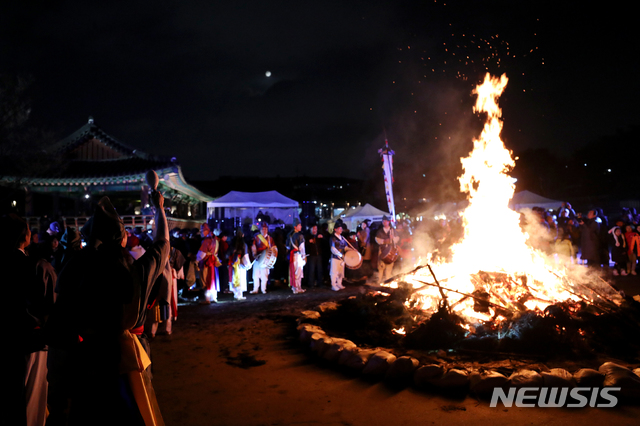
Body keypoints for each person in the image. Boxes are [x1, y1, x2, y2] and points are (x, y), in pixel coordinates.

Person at [46, 190, 169, 426]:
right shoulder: (135, 269)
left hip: (86, 360)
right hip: (127, 358)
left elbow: (59, 325)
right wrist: (159, 208)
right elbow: (162, 243)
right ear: (121, 237)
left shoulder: (77, 267)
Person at [196, 223, 221, 304]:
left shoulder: (206, 241)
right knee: (213, 279)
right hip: (213, 261)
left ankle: (207, 299)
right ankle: (214, 297)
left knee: (205, 279)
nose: (201, 232)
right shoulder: (215, 239)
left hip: (206, 262)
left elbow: (201, 254)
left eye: (202, 230)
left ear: (206, 230)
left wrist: (196, 260)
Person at [251, 222, 276, 294]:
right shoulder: (256, 237)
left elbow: (273, 248)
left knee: (264, 275)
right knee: (255, 274)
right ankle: (255, 289)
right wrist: (254, 254)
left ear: (267, 230)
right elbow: (253, 246)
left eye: (265, 229)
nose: (264, 230)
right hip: (258, 258)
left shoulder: (270, 239)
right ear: (260, 230)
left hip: (266, 259)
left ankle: (263, 289)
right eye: (262, 229)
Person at [228, 227, 251, 300]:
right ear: (243, 235)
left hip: (233, 262)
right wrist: (248, 264)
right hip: (240, 262)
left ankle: (235, 294)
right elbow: (245, 255)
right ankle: (239, 295)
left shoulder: (232, 242)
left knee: (234, 276)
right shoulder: (243, 244)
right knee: (240, 278)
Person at [375, 215, 399, 283]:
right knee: (381, 266)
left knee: (389, 266)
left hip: (390, 250)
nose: (384, 222)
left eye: (385, 221)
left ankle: (387, 281)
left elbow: (397, 239)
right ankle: (379, 281)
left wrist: (392, 238)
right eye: (383, 221)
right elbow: (377, 240)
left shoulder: (393, 230)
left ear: (388, 222)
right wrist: (386, 240)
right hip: (382, 250)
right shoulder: (380, 231)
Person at [329, 222, 353, 291]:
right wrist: (340, 255)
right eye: (339, 228)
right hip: (335, 257)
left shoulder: (342, 238)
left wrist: (350, 250)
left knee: (341, 272)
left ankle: (339, 283)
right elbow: (333, 249)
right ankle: (333, 285)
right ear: (335, 229)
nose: (341, 230)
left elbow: (345, 247)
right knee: (334, 272)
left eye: (341, 228)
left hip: (342, 258)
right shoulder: (333, 238)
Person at [287, 218, 306, 294]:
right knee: (298, 272)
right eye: (299, 225)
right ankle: (297, 287)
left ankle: (295, 287)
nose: (301, 226)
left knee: (294, 271)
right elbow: (302, 248)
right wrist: (304, 257)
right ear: (295, 226)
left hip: (292, 255)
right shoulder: (300, 235)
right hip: (298, 255)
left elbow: (288, 247)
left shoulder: (290, 235)